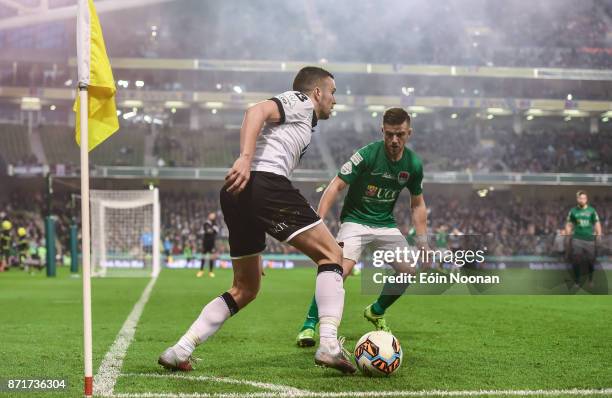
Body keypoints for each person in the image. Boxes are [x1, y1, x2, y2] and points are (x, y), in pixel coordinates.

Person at [159, 66, 356, 374]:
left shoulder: (304, 120)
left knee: (246, 288)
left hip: (238, 194)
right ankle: (329, 345)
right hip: (264, 182)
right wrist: (245, 158)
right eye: (332, 92)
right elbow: (256, 111)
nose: (334, 100)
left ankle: (179, 349)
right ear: (317, 92)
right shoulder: (301, 102)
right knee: (332, 255)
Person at [296, 108, 428, 346]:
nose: (394, 140)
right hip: (355, 221)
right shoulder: (366, 155)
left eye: (399, 134)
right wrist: (319, 219)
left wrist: (422, 240)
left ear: (409, 133)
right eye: (389, 134)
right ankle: (309, 324)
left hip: (385, 224)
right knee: (338, 271)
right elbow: (336, 185)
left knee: (408, 270)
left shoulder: (414, 164)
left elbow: (417, 204)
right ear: (382, 131)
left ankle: (376, 310)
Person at [564, 190, 602, 288]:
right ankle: (577, 282)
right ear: (577, 199)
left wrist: (599, 234)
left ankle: (590, 280)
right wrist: (568, 234)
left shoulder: (592, 210)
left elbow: (597, 223)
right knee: (576, 260)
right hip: (577, 238)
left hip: (589, 239)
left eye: (584, 198)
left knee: (590, 261)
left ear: (586, 199)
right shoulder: (573, 211)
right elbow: (569, 224)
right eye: (580, 198)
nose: (582, 200)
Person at [197, 212, 219, 278]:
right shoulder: (206, 223)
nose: (212, 216)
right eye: (211, 215)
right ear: (209, 216)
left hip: (212, 243)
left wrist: (211, 230)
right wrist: (212, 230)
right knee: (203, 256)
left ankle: (211, 272)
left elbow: (216, 231)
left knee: (211, 257)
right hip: (205, 242)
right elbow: (208, 231)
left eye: (213, 215)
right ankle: (201, 271)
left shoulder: (215, 224)